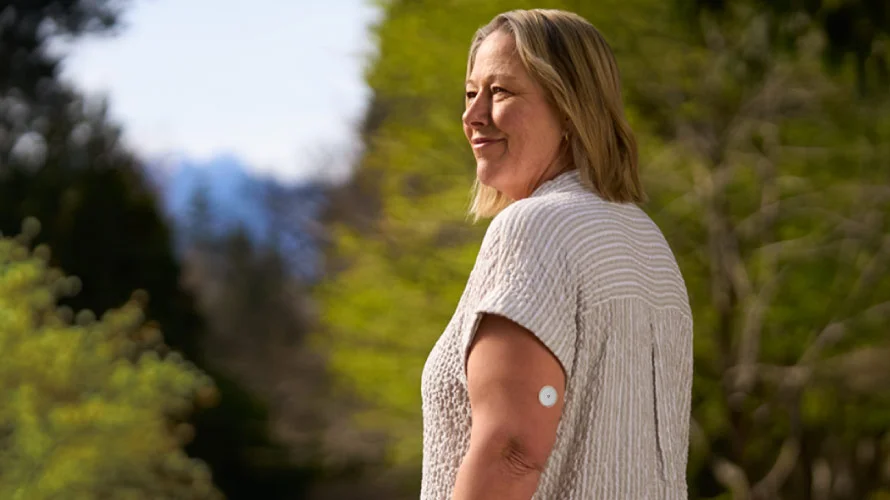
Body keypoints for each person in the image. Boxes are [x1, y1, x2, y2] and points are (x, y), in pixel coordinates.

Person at [420, 8, 693, 500]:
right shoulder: (650, 243)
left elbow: (511, 451)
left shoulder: (535, 228)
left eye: (500, 92)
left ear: (570, 107)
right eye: (470, 93)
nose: (472, 115)